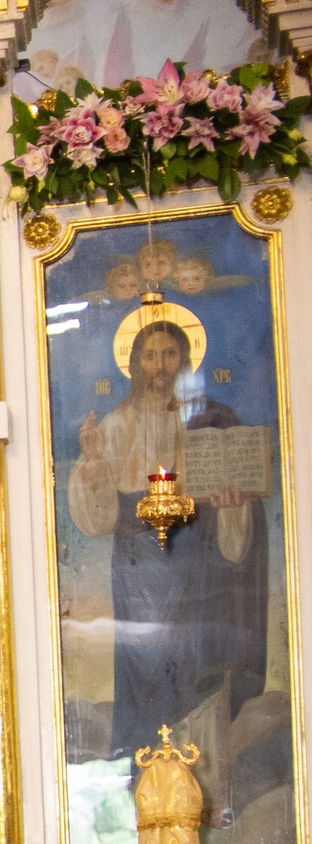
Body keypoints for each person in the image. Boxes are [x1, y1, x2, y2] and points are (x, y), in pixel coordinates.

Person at [65, 317, 272, 769]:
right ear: (136, 362)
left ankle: (198, 761)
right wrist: (95, 468)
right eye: (151, 355)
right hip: (139, 565)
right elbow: (98, 516)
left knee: (192, 655)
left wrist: (232, 504)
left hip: (195, 561)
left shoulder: (211, 419)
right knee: (145, 658)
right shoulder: (118, 426)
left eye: (170, 354)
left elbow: (238, 499)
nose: (161, 364)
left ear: (184, 359)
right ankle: (142, 764)